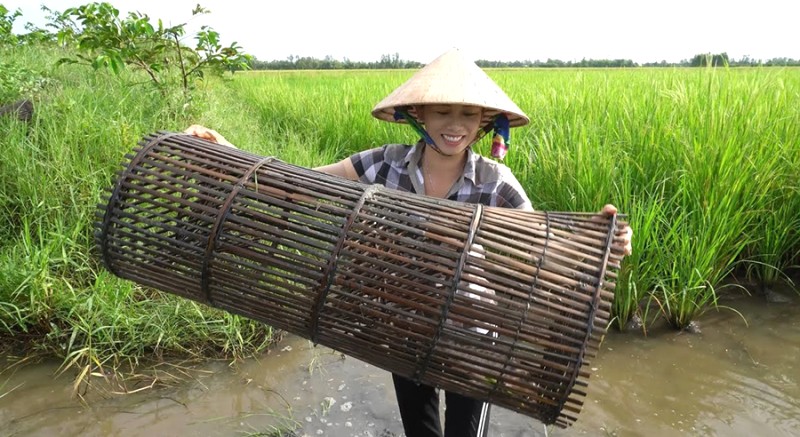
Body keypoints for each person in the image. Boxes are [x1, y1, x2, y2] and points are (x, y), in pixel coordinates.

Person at [186, 47, 632, 437]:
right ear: (418, 115)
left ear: (483, 124)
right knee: (419, 430)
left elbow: (543, 247)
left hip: (471, 333)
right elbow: (301, 185)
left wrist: (601, 242)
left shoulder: (495, 182)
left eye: (468, 114)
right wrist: (230, 151)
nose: (454, 125)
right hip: (404, 322)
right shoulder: (385, 166)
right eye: (442, 112)